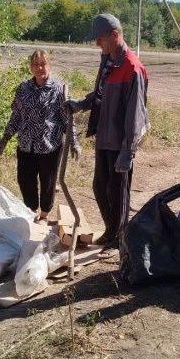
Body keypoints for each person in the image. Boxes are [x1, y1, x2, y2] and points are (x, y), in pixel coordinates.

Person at [65, 13, 149, 248]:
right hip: (104, 136)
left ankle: (119, 239)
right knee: (100, 187)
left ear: (115, 35)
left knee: (118, 193)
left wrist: (128, 151)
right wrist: (81, 103)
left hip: (121, 142)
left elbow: (136, 114)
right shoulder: (108, 62)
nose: (96, 44)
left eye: (100, 39)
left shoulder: (132, 68)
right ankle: (112, 231)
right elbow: (100, 95)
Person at [0, 50, 79, 222]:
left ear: (49, 65)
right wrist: (5, 138)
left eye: (43, 63)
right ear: (30, 67)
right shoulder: (23, 88)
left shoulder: (58, 90)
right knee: (25, 181)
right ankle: (32, 210)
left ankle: (44, 215)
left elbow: (67, 120)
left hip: (50, 146)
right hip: (26, 145)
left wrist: (74, 143)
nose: (39, 67)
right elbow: (16, 117)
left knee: (48, 184)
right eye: (35, 64)